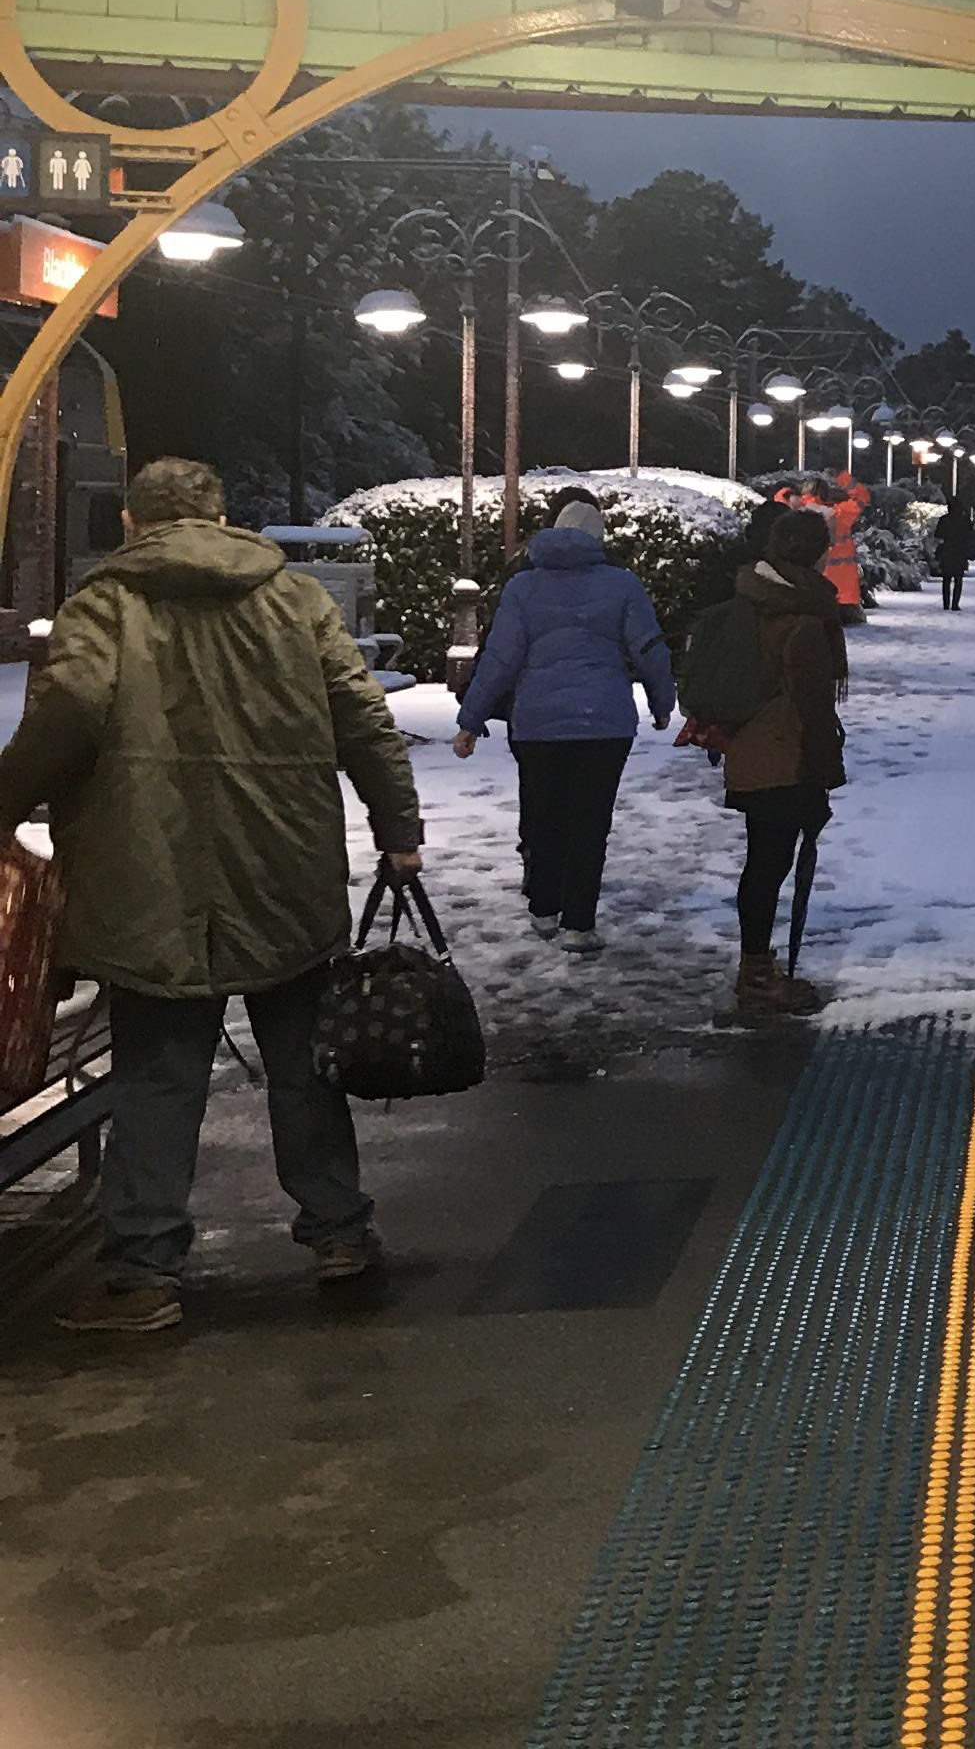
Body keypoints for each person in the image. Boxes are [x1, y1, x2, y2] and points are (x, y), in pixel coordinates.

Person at [0, 453, 426, 1340]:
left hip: (145, 868)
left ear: (132, 522)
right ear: (225, 515)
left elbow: (69, 713)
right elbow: (363, 715)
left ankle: (143, 1275)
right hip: (284, 865)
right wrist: (397, 826)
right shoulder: (296, 600)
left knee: (157, 1077)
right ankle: (339, 1232)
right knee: (306, 1062)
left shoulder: (106, 606)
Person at [452, 492, 674, 947]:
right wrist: (662, 701)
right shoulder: (622, 584)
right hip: (604, 722)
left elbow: (499, 658)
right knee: (590, 821)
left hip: (537, 722)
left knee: (544, 814)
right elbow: (648, 649)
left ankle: (543, 909)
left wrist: (471, 720)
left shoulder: (524, 587)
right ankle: (579, 923)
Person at [712, 505, 847, 1017]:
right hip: (785, 760)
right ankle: (758, 975)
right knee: (769, 868)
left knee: (761, 865)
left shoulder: (752, 599)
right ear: (817, 554)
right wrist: (822, 780)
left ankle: (756, 967)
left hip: (750, 751)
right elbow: (813, 711)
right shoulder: (805, 621)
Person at [929, 493, 975, 612]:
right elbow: (971, 533)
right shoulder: (964, 520)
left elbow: (938, 535)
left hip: (947, 551)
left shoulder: (944, 520)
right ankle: (955, 604)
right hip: (960, 551)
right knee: (958, 579)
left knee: (946, 579)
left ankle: (946, 604)